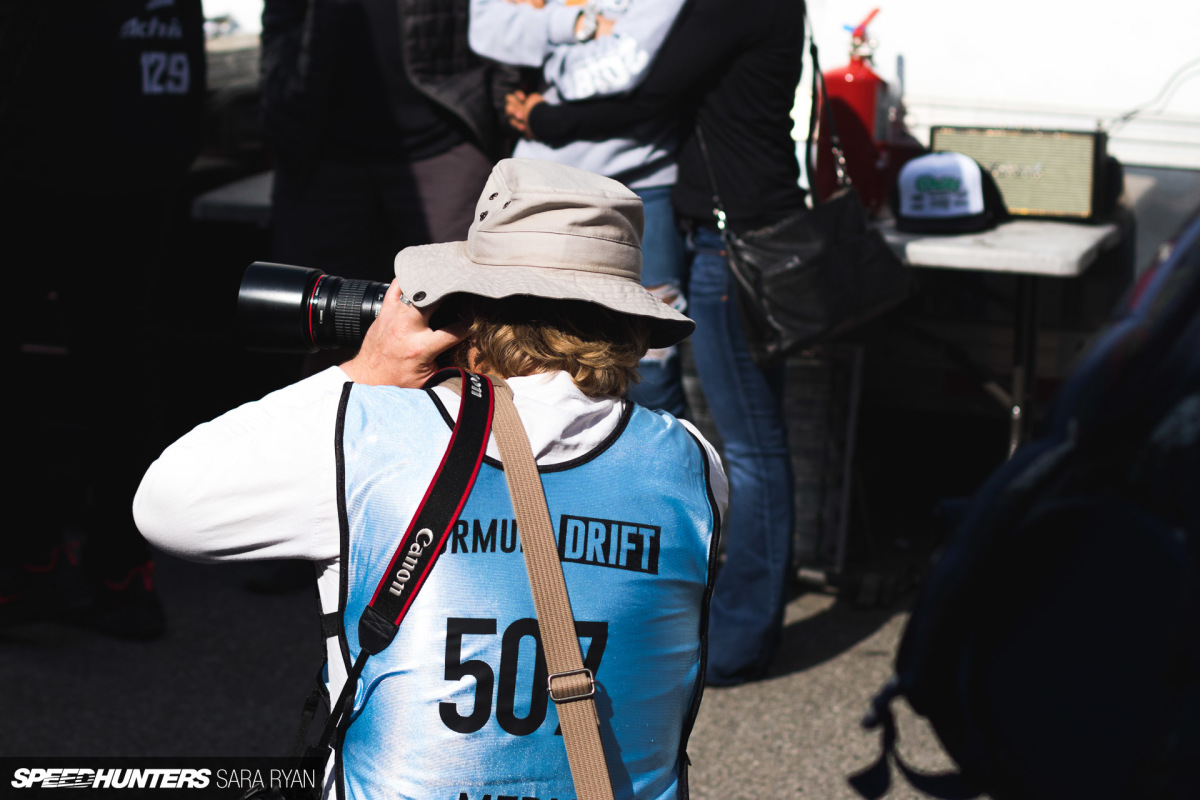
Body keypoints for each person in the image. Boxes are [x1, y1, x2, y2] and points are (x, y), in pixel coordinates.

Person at [134, 159, 727, 799]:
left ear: (469, 310)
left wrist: (366, 372)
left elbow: (163, 506)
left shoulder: (372, 437)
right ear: (627, 325)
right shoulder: (692, 464)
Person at [507, 0, 807, 684]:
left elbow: (648, 88)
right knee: (754, 440)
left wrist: (545, 117)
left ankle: (745, 634)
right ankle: (742, 606)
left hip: (738, 242)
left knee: (755, 447)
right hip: (731, 232)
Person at [0, 0, 207, 639]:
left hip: (49, 164)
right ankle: (116, 574)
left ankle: (37, 563)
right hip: (135, 166)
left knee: (100, 368)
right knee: (117, 365)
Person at [469, 0, 690, 417]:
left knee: (649, 367)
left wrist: (544, 39)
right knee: (523, 353)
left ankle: (650, 474)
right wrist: (581, 22)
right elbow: (485, 29)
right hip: (542, 185)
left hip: (641, 188)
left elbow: (627, 67)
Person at [261, 0, 504, 281]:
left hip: (446, 143)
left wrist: (501, 97)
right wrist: (279, 106)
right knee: (311, 309)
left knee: (462, 307)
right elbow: (281, 21)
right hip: (319, 156)